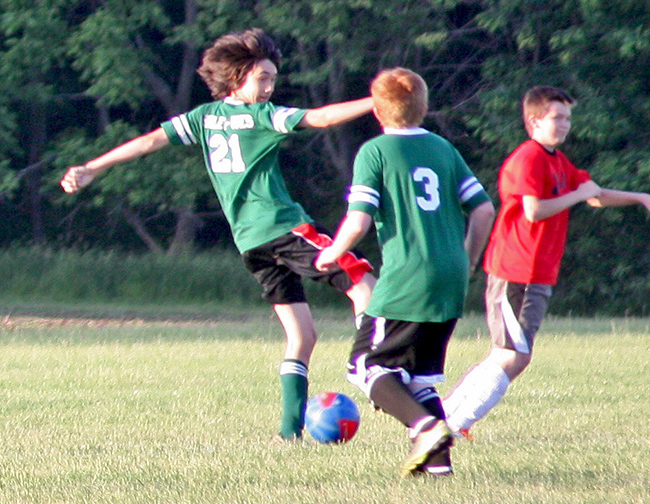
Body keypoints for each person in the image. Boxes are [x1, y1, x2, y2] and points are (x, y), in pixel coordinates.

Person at [60, 28, 377, 443]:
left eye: (272, 79)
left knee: (302, 336)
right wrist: (377, 100)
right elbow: (318, 118)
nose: (269, 87)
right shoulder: (263, 116)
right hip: (284, 228)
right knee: (365, 283)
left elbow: (148, 142)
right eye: (261, 78)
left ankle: (289, 433)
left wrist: (93, 167)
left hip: (250, 244)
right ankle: (370, 363)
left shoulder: (204, 118)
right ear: (236, 78)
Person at [315, 67, 495, 477]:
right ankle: (439, 468)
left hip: (406, 277)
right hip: (451, 274)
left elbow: (358, 221)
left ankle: (426, 426)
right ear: (424, 107)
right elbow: (484, 209)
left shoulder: (375, 152)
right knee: (418, 377)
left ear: (377, 111)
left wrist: (332, 253)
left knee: (365, 366)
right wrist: (467, 258)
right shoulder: (444, 150)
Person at [443, 86, 650, 438]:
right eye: (557, 117)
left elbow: (594, 195)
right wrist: (578, 195)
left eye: (568, 117)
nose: (565, 124)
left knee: (508, 355)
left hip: (538, 274)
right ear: (534, 120)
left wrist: (640, 197)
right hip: (515, 271)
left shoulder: (557, 160)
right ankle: (452, 424)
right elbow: (533, 209)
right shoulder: (528, 158)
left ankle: (443, 417)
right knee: (513, 356)